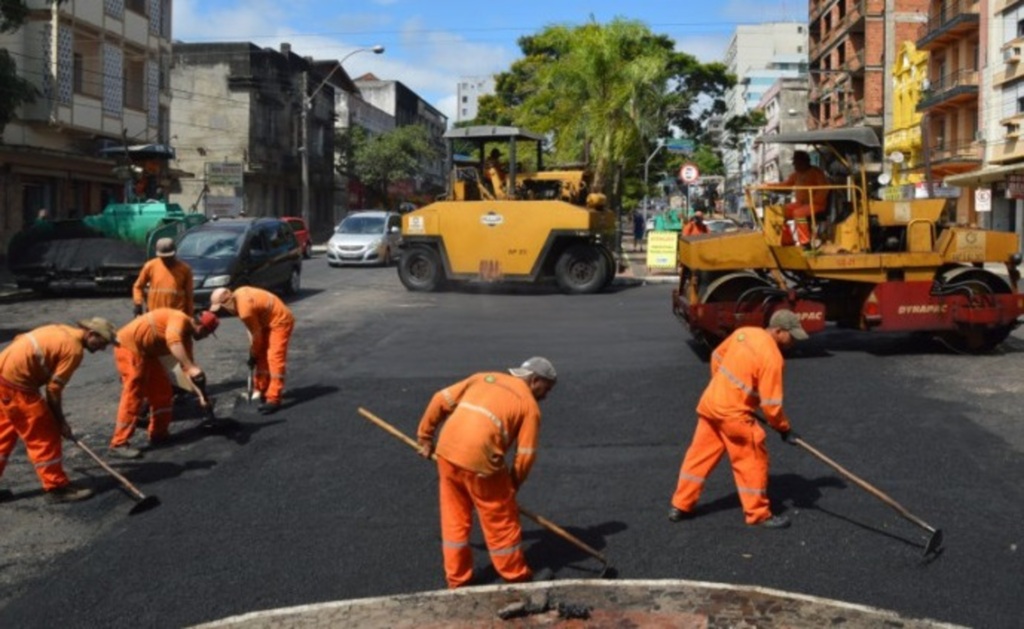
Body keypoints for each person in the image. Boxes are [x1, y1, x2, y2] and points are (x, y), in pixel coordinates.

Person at [416, 357, 558, 589]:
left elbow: (440, 399)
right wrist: (511, 488)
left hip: (447, 452)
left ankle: (458, 580)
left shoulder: (482, 378)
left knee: (454, 518)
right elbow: (525, 455)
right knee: (501, 523)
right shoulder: (529, 406)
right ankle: (517, 578)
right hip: (481, 463)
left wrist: (425, 438)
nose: (546, 395)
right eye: (547, 388)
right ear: (535, 380)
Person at [668, 309, 808, 529]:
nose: (794, 342)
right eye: (792, 336)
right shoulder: (772, 357)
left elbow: (716, 357)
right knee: (752, 460)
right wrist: (784, 429)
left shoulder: (745, 333)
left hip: (711, 404)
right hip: (734, 417)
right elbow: (772, 407)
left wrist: (725, 389)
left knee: (698, 458)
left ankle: (680, 505)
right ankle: (758, 514)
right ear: (779, 331)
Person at [0, 318, 118, 502]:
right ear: (91, 334)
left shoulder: (60, 329)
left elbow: (20, 339)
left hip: (3, 379)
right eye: (102, 343)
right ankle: (57, 488)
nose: (102, 349)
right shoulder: (73, 350)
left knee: (3, 436)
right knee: (45, 436)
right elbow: (53, 390)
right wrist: (61, 422)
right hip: (18, 389)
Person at [108, 308, 219, 459]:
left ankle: (159, 434)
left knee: (163, 392)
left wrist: (201, 396)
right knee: (134, 394)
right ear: (201, 327)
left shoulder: (186, 339)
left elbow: (187, 369)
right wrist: (192, 367)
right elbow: (173, 340)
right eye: (206, 333)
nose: (205, 337)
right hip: (129, 347)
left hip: (149, 353)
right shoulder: (179, 319)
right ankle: (119, 443)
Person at [209, 286, 294, 415]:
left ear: (227, 301)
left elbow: (256, 335)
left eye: (222, 307)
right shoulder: (238, 296)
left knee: (274, 356)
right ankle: (261, 387)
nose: (223, 311)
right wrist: (254, 352)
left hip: (280, 321)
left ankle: (274, 398)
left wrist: (253, 354)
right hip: (266, 321)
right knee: (261, 354)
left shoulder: (245, 310)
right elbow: (252, 331)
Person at [766, 151, 829, 247]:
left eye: (796, 162)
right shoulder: (796, 174)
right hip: (800, 204)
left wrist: (813, 202)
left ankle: (806, 242)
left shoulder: (816, 172)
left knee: (799, 213)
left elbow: (823, 190)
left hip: (816, 204)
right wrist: (768, 186)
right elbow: (786, 186)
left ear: (804, 161)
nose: (794, 164)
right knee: (778, 211)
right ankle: (786, 241)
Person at [132, 237, 194, 317]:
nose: (167, 260)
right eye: (164, 257)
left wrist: (190, 317)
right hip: (154, 315)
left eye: (169, 257)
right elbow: (138, 287)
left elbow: (189, 296)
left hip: (176, 316)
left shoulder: (185, 269)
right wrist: (138, 304)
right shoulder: (150, 266)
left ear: (174, 253)